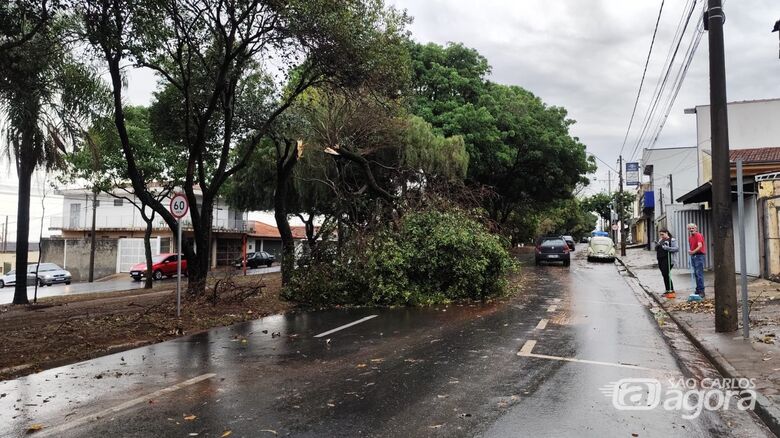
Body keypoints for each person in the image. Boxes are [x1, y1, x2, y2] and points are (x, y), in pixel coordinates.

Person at [655, 228, 679, 299]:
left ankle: (671, 290)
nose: (661, 236)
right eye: (660, 235)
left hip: (668, 259)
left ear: (666, 233)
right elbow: (657, 248)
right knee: (664, 275)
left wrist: (667, 248)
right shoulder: (661, 240)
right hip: (660, 259)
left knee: (666, 274)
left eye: (662, 234)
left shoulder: (672, 240)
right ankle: (667, 289)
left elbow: (676, 249)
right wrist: (657, 245)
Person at [687, 223, 706, 297]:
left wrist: (692, 252)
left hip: (699, 256)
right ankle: (698, 289)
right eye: (690, 228)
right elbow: (692, 247)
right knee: (696, 273)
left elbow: (700, 246)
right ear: (688, 229)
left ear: (696, 228)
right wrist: (691, 252)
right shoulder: (690, 237)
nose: (691, 230)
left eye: (693, 228)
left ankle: (701, 291)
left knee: (699, 274)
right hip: (693, 256)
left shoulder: (698, 235)